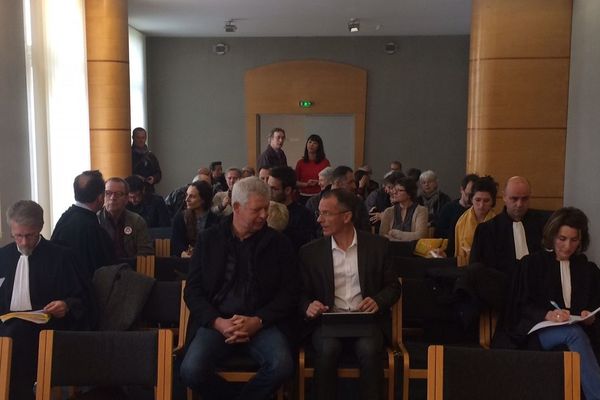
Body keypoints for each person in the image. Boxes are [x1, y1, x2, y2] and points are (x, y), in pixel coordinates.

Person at [180, 177, 298, 400]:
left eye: (266, 208)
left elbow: (289, 293)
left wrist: (258, 321)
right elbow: (193, 291)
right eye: (257, 210)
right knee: (190, 371)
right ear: (236, 207)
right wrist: (218, 322)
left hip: (262, 323)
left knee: (282, 366)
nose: (264, 215)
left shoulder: (279, 243)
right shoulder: (209, 240)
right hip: (217, 322)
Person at [299, 189, 401, 400]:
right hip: (327, 321)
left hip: (366, 320)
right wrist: (308, 305)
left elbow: (393, 286)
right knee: (327, 349)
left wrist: (378, 301)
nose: (320, 219)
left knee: (369, 349)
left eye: (326, 213)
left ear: (346, 216)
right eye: (319, 213)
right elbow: (299, 293)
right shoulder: (310, 252)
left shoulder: (378, 247)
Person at [0, 200, 88, 399]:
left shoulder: (62, 257)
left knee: (16, 334)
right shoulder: (2, 257)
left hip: (45, 330)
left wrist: (66, 305)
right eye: (18, 236)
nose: (23, 242)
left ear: (40, 228)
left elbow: (82, 299)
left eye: (29, 236)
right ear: (11, 231)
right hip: (4, 326)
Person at [513, 207, 600, 400]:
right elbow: (522, 305)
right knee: (574, 334)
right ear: (552, 236)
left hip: (578, 329)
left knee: (577, 333)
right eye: (562, 239)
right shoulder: (532, 264)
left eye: (574, 240)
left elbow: (595, 305)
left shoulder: (588, 269)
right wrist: (548, 315)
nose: (568, 246)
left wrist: (590, 317)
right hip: (540, 329)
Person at [51, 170, 115, 280]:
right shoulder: (92, 228)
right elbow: (106, 267)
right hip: (84, 292)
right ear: (100, 197)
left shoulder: (65, 218)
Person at [97, 177, 154, 258]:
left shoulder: (137, 221)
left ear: (127, 199)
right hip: (103, 268)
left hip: (130, 267)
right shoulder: (95, 220)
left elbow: (146, 252)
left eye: (118, 194)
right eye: (108, 193)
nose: (113, 198)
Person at [268, 166, 317, 253]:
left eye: (274, 189)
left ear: (287, 190)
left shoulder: (303, 216)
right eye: (268, 187)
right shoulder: (263, 211)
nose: (269, 192)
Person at [452, 175, 497, 266]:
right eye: (477, 200)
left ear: (492, 201)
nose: (481, 205)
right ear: (471, 199)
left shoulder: (498, 223)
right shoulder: (461, 221)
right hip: (464, 269)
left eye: (486, 200)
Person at [171, 180, 220, 257]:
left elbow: (216, 246)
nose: (187, 199)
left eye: (192, 196)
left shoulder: (216, 220)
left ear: (203, 200)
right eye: (187, 195)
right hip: (184, 261)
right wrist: (184, 254)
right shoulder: (180, 218)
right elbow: (176, 243)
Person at [379, 175, 428, 241]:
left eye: (399, 190)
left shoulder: (421, 210)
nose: (395, 192)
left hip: (412, 249)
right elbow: (382, 236)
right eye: (395, 190)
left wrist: (398, 234)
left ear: (409, 194)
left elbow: (421, 235)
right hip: (391, 248)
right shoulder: (388, 211)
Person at [435, 173, 479, 238]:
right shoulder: (448, 208)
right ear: (461, 190)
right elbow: (439, 232)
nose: (470, 199)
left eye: (473, 196)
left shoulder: (479, 210)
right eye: (467, 194)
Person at [295, 134, 330, 203]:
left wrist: (318, 182)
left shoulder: (325, 162)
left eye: (315, 143)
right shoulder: (300, 162)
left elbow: (329, 182)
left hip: (320, 196)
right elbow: (295, 182)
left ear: (319, 146)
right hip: (303, 196)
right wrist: (306, 184)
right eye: (310, 142)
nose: (311, 145)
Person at [131, 127, 162, 192]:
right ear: (133, 138)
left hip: (148, 190)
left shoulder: (150, 156)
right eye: (138, 138)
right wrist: (135, 177)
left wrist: (153, 178)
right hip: (132, 191)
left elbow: (158, 173)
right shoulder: (127, 155)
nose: (141, 140)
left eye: (143, 138)